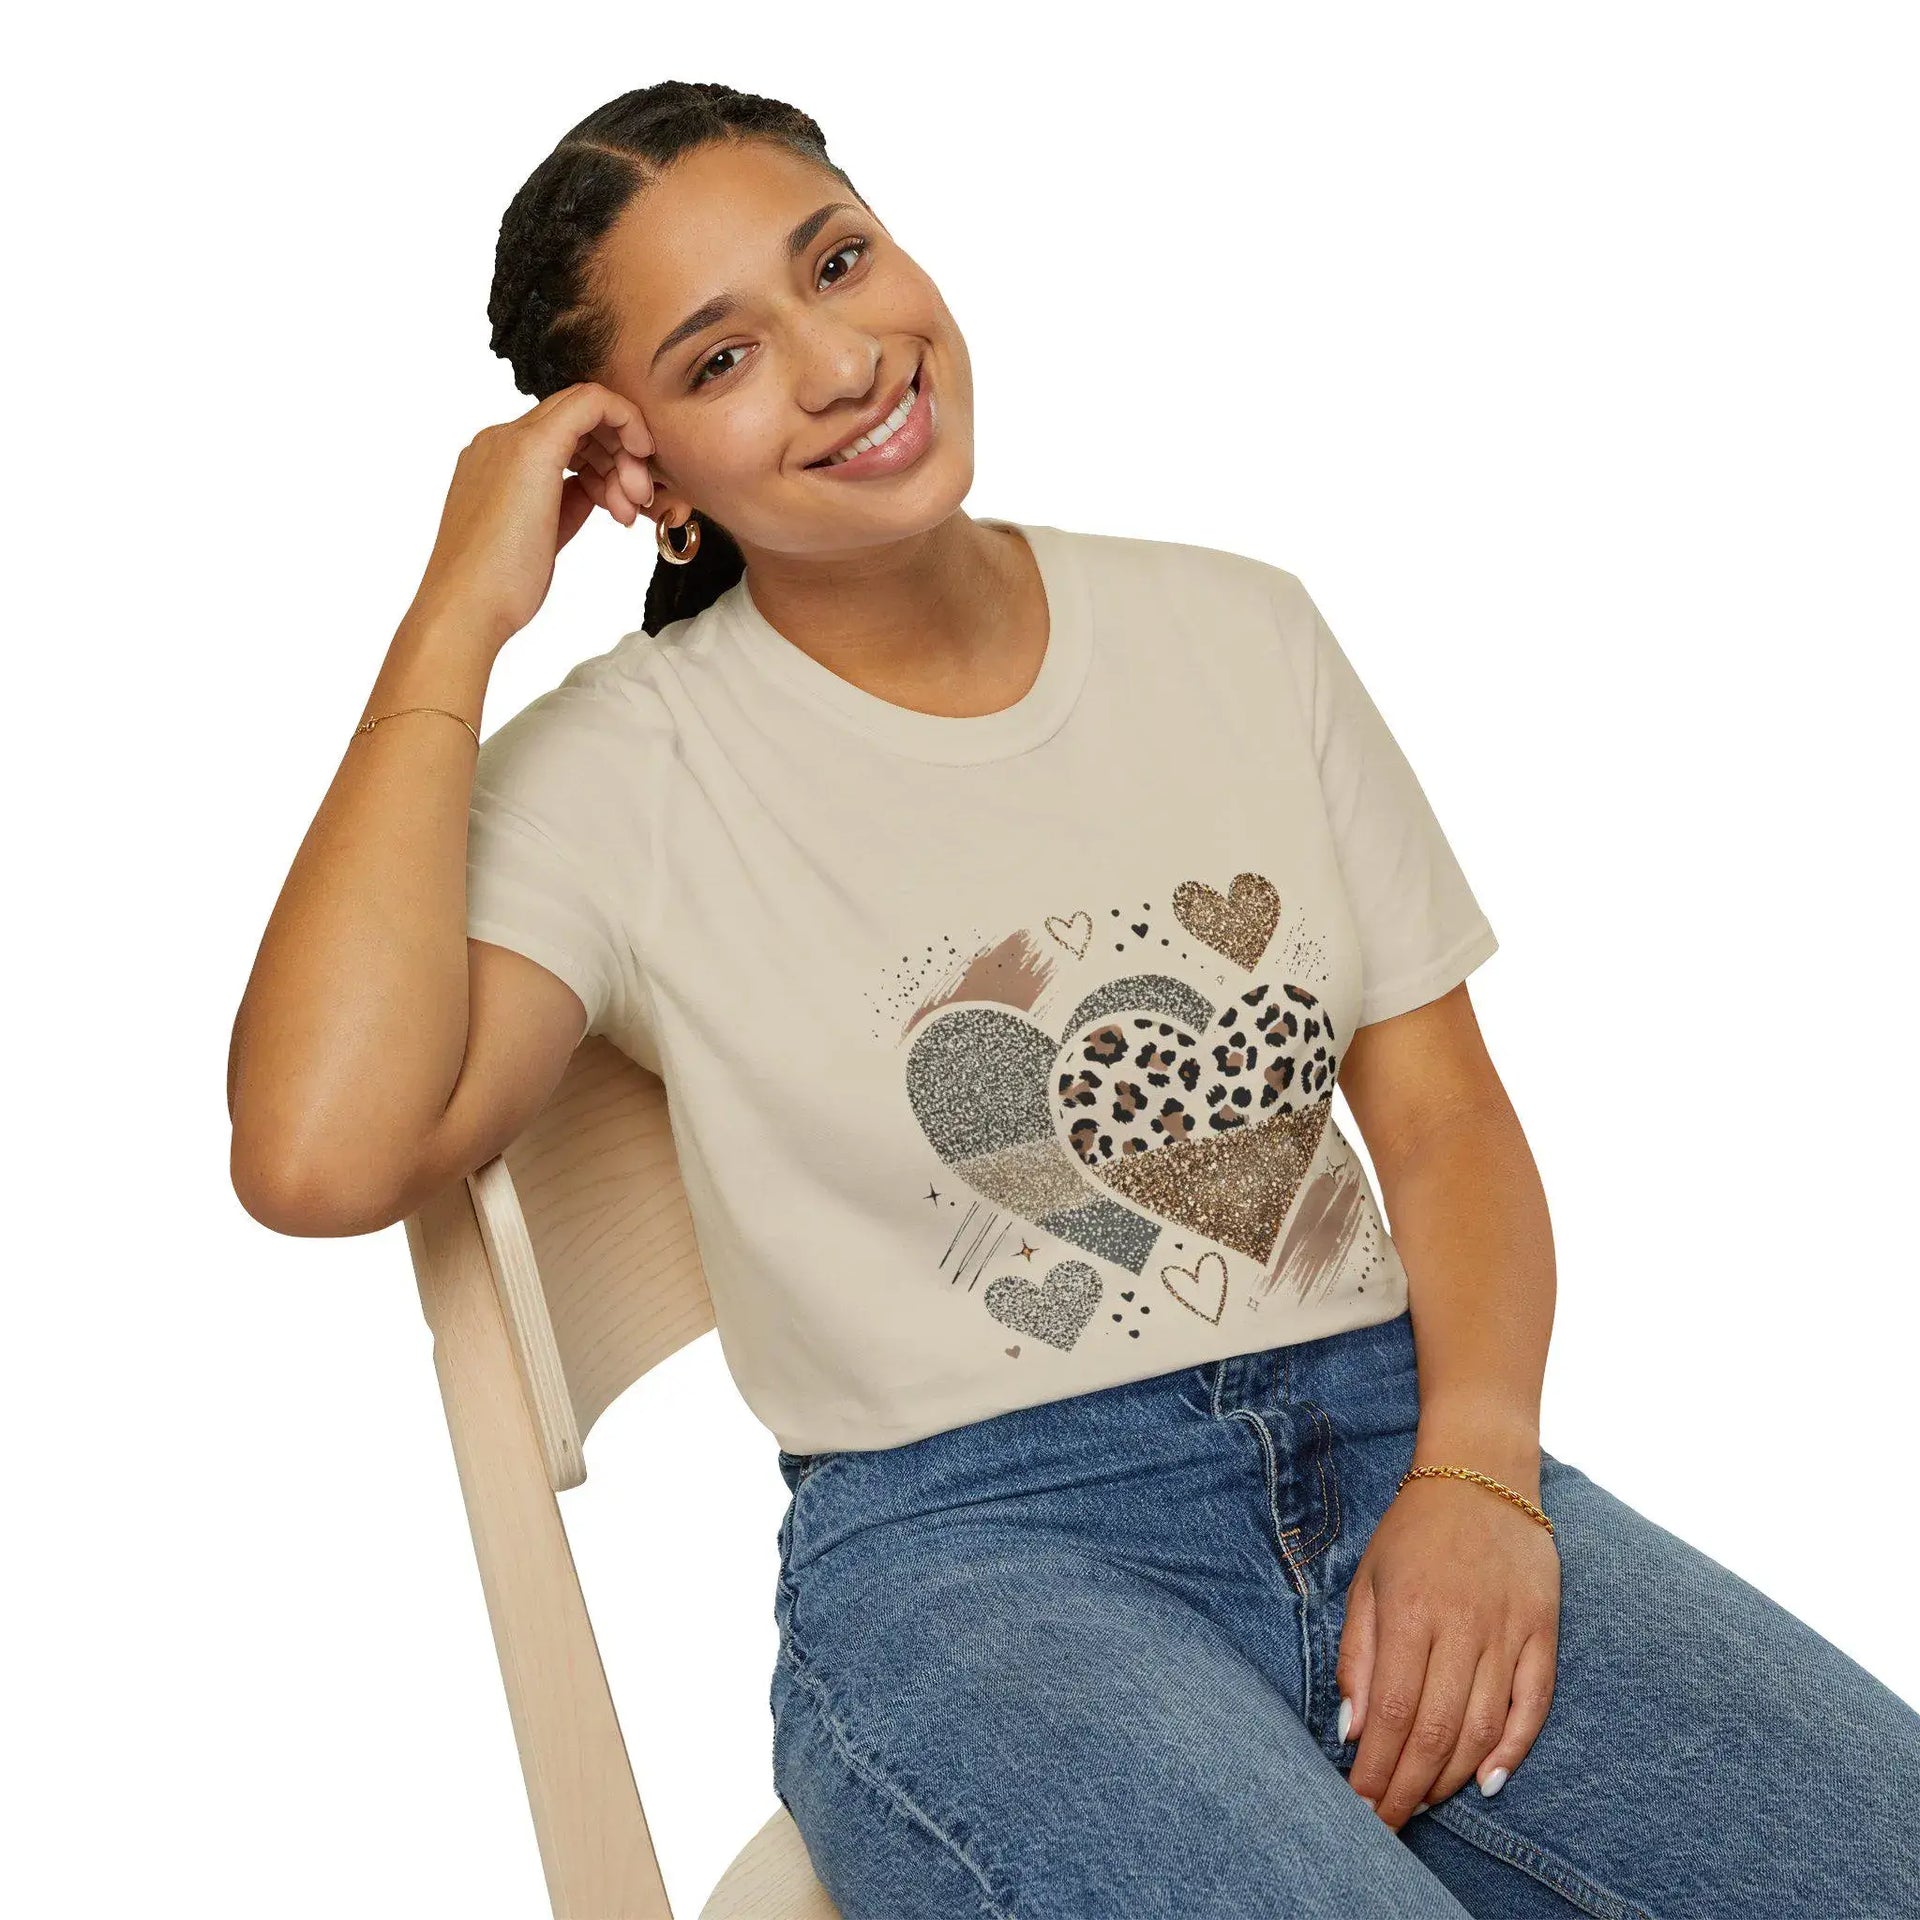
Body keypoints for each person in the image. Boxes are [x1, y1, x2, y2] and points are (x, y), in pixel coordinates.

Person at [227, 80, 1920, 1918]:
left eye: (840, 261)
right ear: (643, 476)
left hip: (1396, 1437)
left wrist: (1482, 1476)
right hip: (974, 1559)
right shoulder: (624, 772)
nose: (841, 360)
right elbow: (319, 1154)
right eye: (721, 361)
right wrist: (454, 613)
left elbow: (1441, 1121)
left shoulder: (1238, 631)